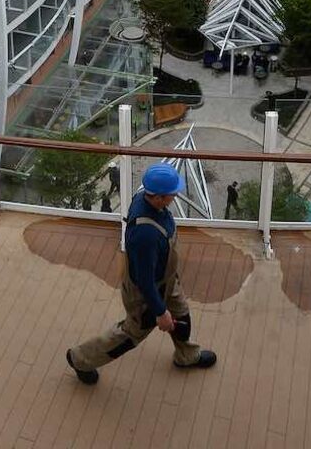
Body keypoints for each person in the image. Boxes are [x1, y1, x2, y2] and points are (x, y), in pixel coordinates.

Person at [66, 164, 217, 384]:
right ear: (157, 198)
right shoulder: (145, 234)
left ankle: (187, 355)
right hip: (146, 293)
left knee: (181, 314)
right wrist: (159, 311)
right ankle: (80, 359)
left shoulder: (146, 200)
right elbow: (145, 281)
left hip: (165, 279)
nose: (175, 196)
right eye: (171, 194)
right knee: (131, 334)